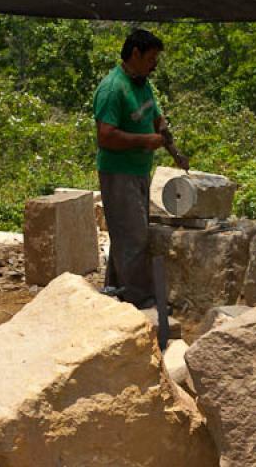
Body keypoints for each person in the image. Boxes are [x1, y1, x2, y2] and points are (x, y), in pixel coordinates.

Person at [93, 28, 187, 309]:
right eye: (151, 57)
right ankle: (141, 299)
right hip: (118, 173)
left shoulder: (142, 83)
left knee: (128, 233)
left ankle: (115, 289)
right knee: (134, 236)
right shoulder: (112, 88)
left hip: (138, 171)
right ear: (135, 53)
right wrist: (145, 141)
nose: (154, 64)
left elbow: (156, 119)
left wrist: (174, 151)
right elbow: (105, 135)